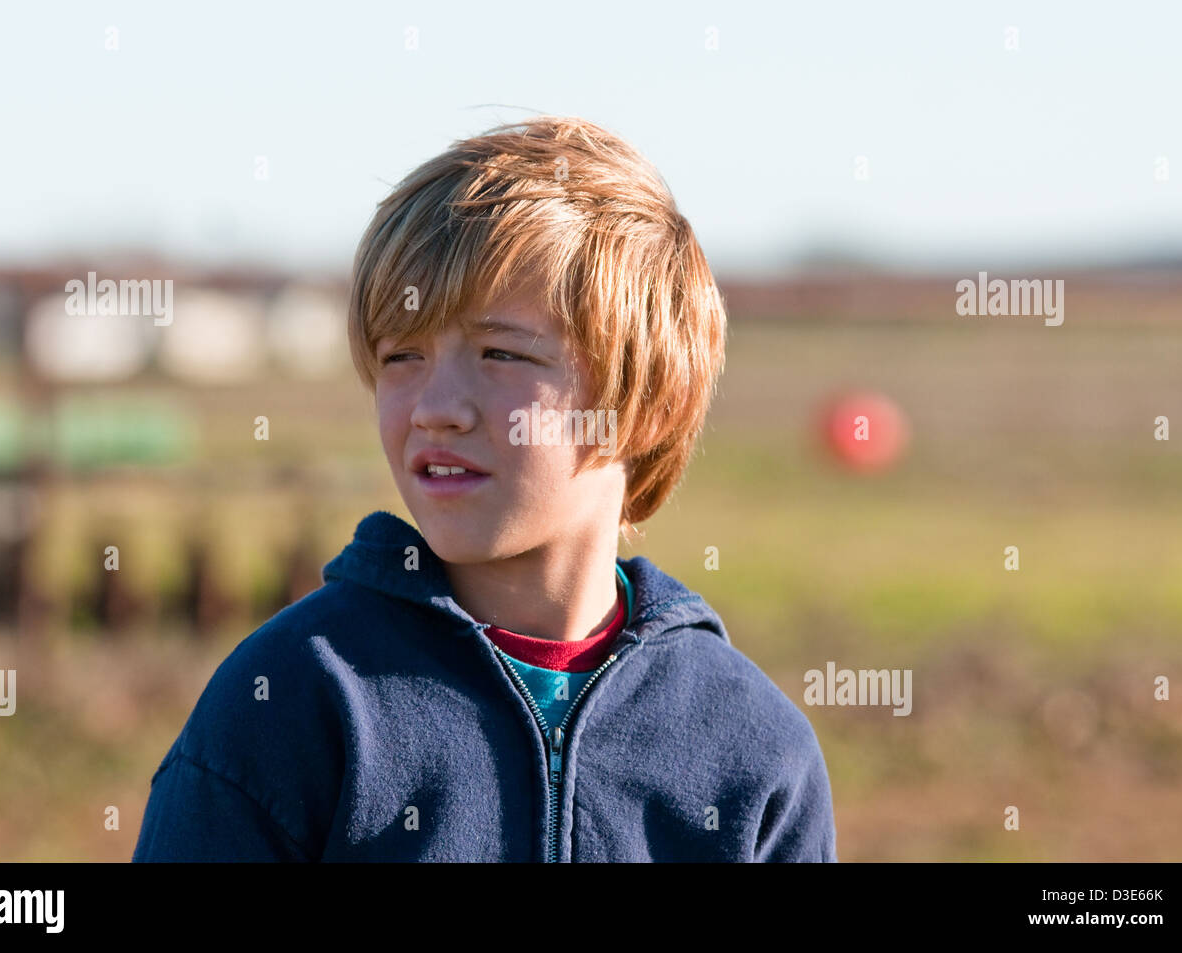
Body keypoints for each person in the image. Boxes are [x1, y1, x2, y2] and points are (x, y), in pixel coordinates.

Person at [132, 115, 836, 862]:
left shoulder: (753, 748)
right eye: (401, 354)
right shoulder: (292, 700)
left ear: (647, 404)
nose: (436, 406)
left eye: (501, 352)